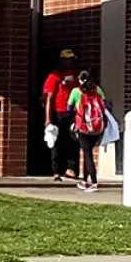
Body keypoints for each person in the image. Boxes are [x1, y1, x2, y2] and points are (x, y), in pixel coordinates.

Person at [42, 49, 79, 181]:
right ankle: (56, 171)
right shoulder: (54, 76)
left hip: (72, 112)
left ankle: (72, 169)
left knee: (74, 140)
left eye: (71, 60)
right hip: (58, 112)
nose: (68, 63)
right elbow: (49, 98)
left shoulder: (75, 75)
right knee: (56, 141)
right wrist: (48, 118)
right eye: (66, 60)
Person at [68, 70, 108, 192]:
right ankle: (85, 181)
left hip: (83, 127)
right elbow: (106, 105)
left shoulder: (76, 91)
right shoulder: (98, 90)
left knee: (87, 154)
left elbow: (68, 107)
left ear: (80, 79)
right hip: (97, 127)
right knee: (88, 153)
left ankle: (94, 183)